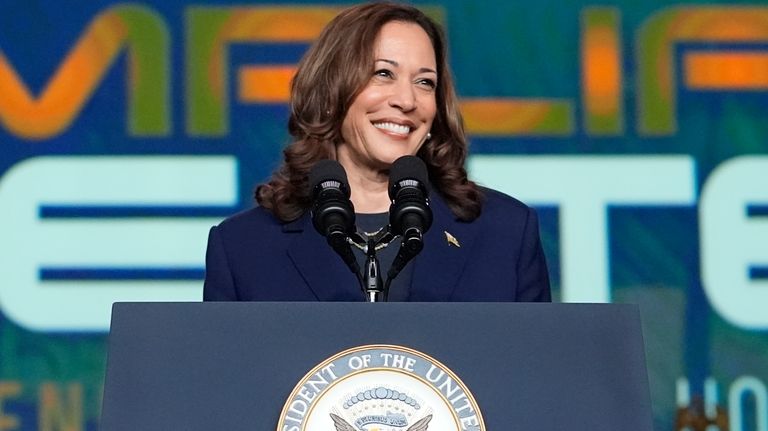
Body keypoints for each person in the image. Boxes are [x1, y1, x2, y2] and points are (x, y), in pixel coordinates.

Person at [203, 2, 551, 302]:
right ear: (330, 94)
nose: (407, 100)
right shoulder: (243, 249)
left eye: (424, 82)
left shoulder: (505, 233)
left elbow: (534, 371)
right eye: (383, 73)